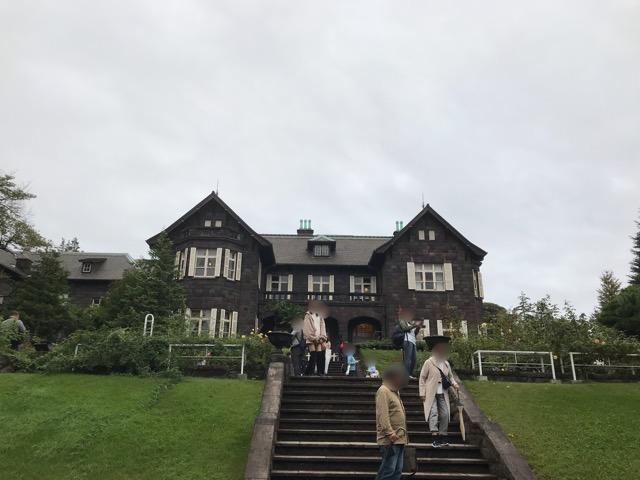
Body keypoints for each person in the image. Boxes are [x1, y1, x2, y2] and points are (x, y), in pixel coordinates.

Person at [418, 336, 460, 448]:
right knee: (433, 413)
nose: (442, 351)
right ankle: (435, 437)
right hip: (430, 393)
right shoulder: (429, 362)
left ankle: (443, 435)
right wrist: (422, 393)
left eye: (443, 349)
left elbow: (450, 377)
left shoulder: (446, 363)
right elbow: (422, 377)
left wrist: (455, 384)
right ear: (436, 350)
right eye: (440, 349)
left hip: (442, 393)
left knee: (445, 414)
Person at [375, 364, 408, 480]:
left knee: (397, 471)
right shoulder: (383, 390)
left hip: (399, 438)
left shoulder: (395, 391)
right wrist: (390, 433)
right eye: (399, 377)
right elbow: (382, 415)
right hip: (390, 439)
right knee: (388, 471)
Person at [303, 300, 328, 375]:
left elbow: (323, 326)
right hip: (311, 339)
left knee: (319, 355)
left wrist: (322, 337)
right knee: (313, 355)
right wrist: (313, 337)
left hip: (319, 338)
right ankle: (309, 372)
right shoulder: (307, 316)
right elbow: (307, 328)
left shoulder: (320, 315)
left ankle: (320, 372)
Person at [397, 308, 422, 379]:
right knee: (408, 359)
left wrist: (418, 328)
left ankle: (410, 374)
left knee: (413, 359)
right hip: (407, 341)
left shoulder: (411, 324)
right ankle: (406, 374)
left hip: (413, 342)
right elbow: (405, 328)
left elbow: (414, 334)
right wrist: (414, 325)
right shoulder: (402, 321)